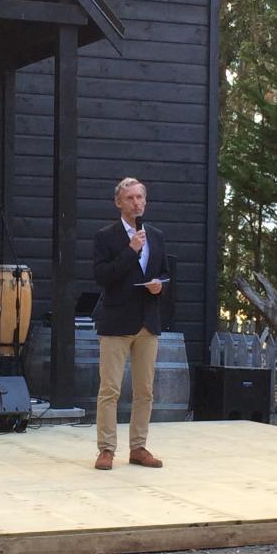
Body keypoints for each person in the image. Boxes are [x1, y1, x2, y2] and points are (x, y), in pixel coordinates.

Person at [93, 177, 170, 470]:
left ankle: (138, 447)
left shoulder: (157, 235)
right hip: (116, 322)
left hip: (147, 322)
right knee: (109, 390)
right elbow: (102, 276)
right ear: (118, 203)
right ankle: (106, 449)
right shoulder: (105, 236)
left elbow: (164, 272)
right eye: (130, 198)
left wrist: (160, 287)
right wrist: (130, 250)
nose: (136, 203)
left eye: (140, 198)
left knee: (145, 391)